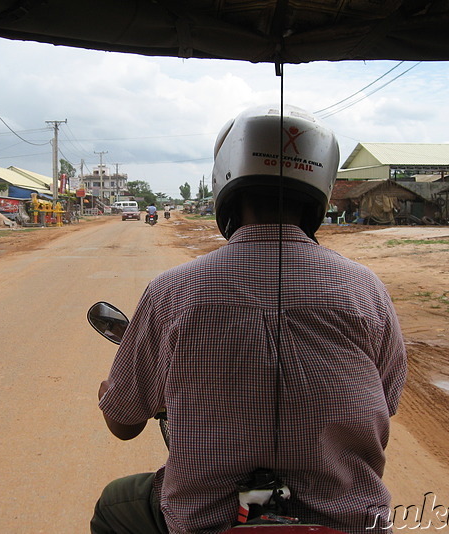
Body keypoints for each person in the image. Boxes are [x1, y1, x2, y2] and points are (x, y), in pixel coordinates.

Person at [92, 104, 407, 534]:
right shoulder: (365, 290)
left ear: (226, 182)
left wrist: (121, 390)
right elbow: (386, 404)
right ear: (320, 189)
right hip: (350, 522)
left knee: (114, 505)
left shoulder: (172, 291)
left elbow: (122, 424)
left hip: (208, 522)